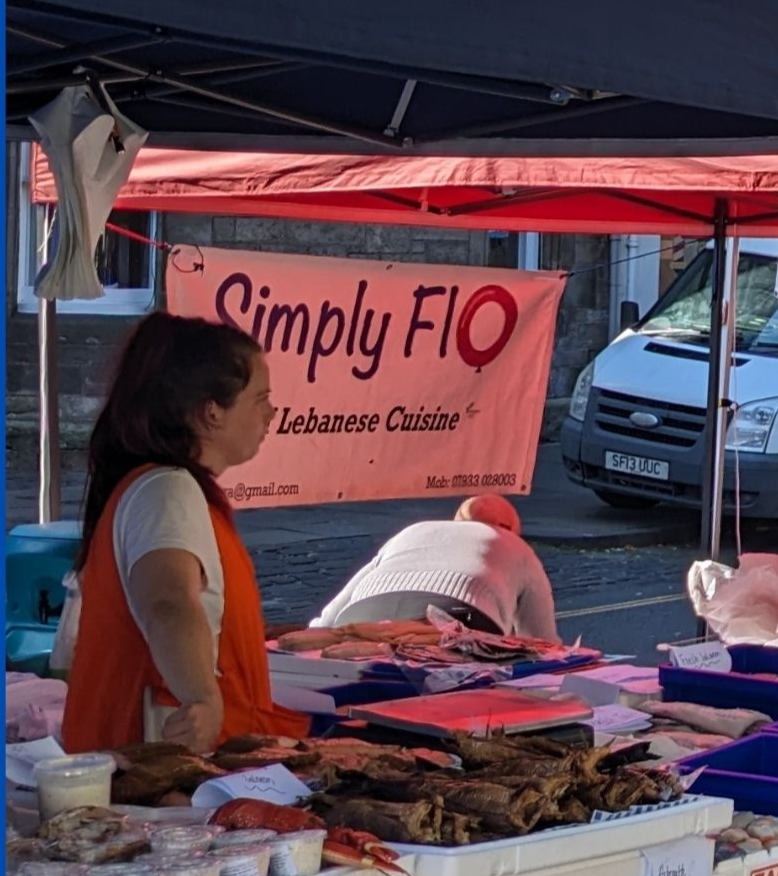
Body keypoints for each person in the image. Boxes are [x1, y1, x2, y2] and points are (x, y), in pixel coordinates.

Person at [61, 315, 308, 753]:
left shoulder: (162, 486)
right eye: (260, 399)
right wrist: (202, 697)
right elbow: (167, 602)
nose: (271, 412)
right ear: (211, 412)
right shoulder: (167, 489)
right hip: (155, 771)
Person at [312, 496, 559, 640]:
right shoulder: (516, 546)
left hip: (362, 612)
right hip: (460, 619)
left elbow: (327, 620)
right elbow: (542, 644)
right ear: (511, 529)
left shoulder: (413, 530)